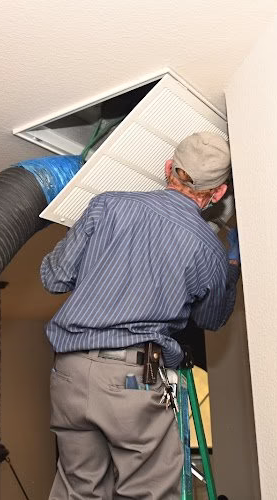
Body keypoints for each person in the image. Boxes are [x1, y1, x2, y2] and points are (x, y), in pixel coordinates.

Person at [40, 131, 241, 499]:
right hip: (131, 378)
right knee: (149, 492)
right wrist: (229, 265)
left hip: (69, 373)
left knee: (79, 490)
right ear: (218, 194)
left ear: (168, 168)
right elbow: (211, 319)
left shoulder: (107, 205)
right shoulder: (208, 248)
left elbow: (54, 279)